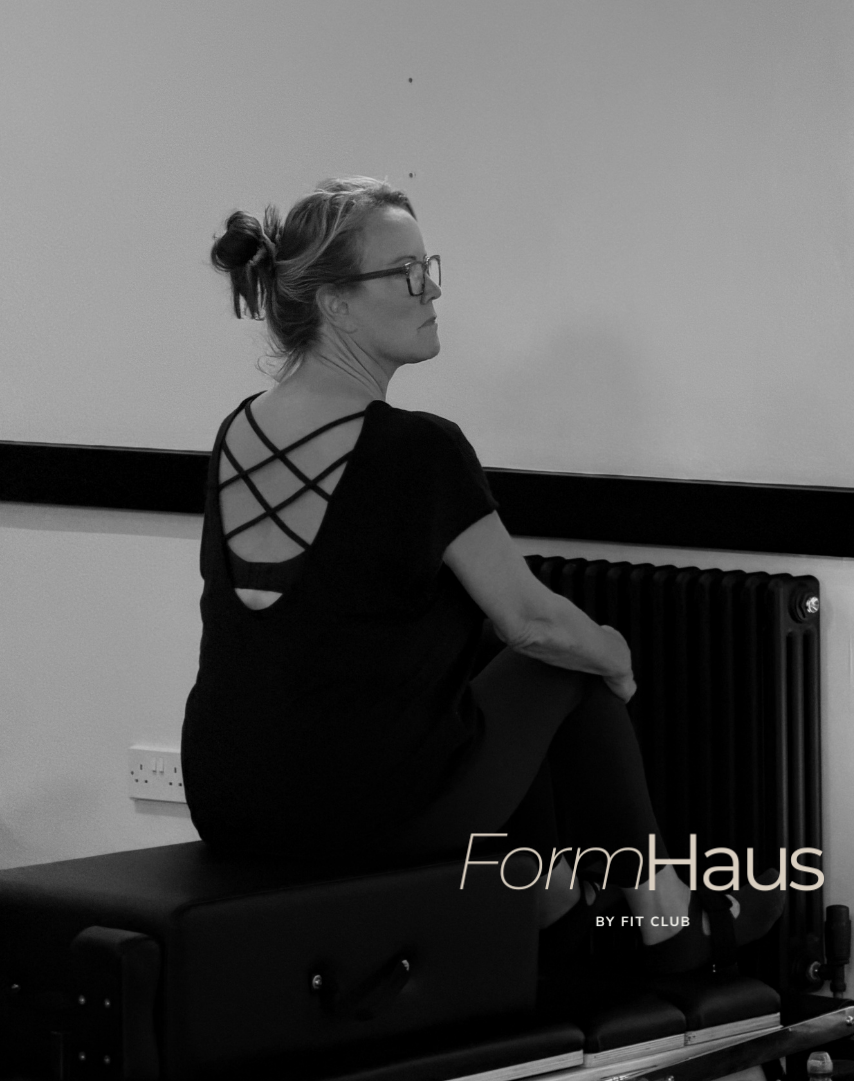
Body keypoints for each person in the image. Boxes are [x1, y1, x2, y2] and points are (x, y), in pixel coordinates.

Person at [180, 176, 782, 971]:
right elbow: (531, 620)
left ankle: (559, 912)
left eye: (427, 267)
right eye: (405, 273)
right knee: (566, 660)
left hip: (229, 798)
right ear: (335, 305)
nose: (430, 290)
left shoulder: (236, 431)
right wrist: (615, 652)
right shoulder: (417, 448)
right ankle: (665, 921)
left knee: (470, 672)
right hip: (359, 814)